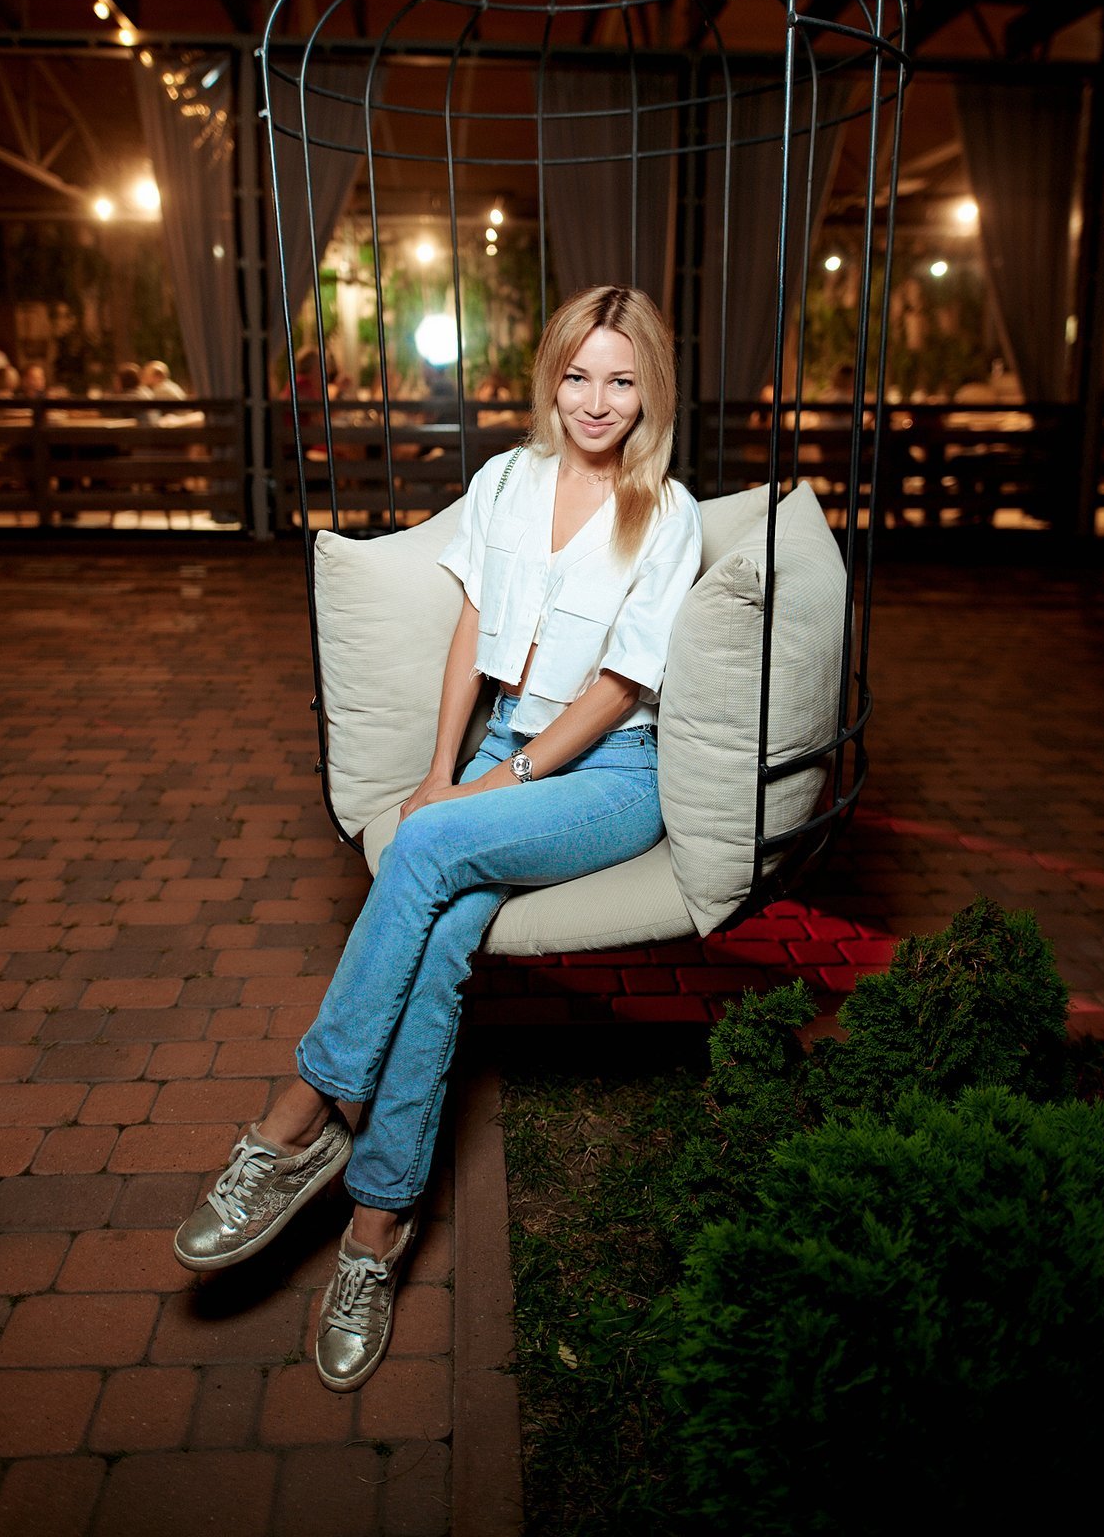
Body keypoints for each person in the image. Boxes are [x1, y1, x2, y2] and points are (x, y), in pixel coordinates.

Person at [173, 285, 703, 1391]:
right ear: (549, 376)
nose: (594, 401)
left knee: (421, 851)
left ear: (649, 389)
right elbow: (472, 627)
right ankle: (376, 1228)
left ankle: (296, 1120)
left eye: (620, 380)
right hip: (500, 742)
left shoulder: (667, 511)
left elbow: (617, 689)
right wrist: (438, 771)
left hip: (609, 774)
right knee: (444, 935)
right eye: (576, 374)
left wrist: (493, 785)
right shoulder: (506, 480)